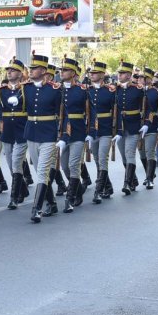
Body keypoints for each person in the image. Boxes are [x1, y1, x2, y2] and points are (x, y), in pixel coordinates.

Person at [13, 54, 62, 221]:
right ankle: (52, 203)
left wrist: (63, 134)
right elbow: (19, 104)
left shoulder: (55, 90)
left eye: (34, 69)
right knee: (39, 171)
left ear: (43, 71)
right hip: (31, 134)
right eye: (31, 69)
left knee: (42, 172)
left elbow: (63, 113)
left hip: (48, 134)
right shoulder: (25, 88)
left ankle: (36, 209)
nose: (31, 71)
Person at [58, 57, 89, 210]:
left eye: (65, 70)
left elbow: (91, 112)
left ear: (74, 73)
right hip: (62, 132)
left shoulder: (82, 90)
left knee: (74, 165)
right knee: (64, 166)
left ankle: (69, 200)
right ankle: (78, 192)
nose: (61, 72)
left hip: (78, 132)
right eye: (61, 70)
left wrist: (91, 131)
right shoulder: (57, 89)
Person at [0, 59, 30, 209]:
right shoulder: (1, 90)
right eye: (8, 70)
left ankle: (14, 198)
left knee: (16, 162)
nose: (9, 72)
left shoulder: (25, 89)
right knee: (11, 164)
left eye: (13, 70)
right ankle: (23, 189)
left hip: (22, 129)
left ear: (20, 73)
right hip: (7, 130)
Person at [86, 61, 117, 203]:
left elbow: (116, 112)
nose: (92, 75)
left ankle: (98, 191)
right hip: (93, 130)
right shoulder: (87, 91)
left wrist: (116, 130)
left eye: (95, 73)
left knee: (103, 158)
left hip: (105, 129)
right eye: (91, 73)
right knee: (98, 160)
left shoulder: (110, 91)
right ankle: (108, 186)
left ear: (102, 75)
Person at [114, 62, 145, 195]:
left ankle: (126, 183)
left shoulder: (138, 89)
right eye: (119, 73)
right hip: (120, 128)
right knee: (123, 156)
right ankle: (133, 179)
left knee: (130, 153)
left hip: (133, 126)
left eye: (122, 73)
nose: (119, 76)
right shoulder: (115, 89)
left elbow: (145, 107)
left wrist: (146, 123)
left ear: (129, 75)